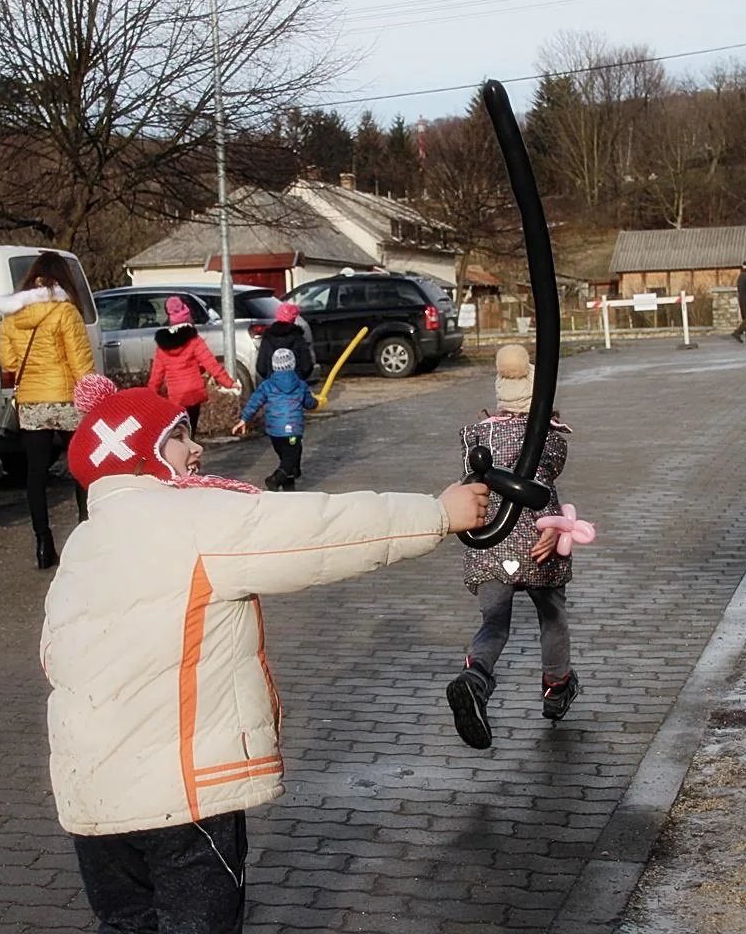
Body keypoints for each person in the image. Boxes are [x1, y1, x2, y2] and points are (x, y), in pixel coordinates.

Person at [44, 373, 490, 934]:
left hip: (91, 803)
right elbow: (318, 532)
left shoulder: (83, 543)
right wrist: (439, 514)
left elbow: (54, 658)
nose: (196, 447)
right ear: (146, 453)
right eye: (181, 435)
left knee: (128, 925)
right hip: (183, 797)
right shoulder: (193, 519)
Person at [445, 344, 580, 751]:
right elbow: (543, 482)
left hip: (489, 539)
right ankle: (556, 688)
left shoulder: (477, 434)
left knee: (494, 624)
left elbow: (474, 477)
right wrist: (558, 528)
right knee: (552, 616)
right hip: (541, 537)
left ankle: (475, 678)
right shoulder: (549, 437)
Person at [0, 250, 96, 570]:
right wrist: (94, 395)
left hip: (31, 401)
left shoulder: (12, 316)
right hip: (67, 397)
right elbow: (81, 362)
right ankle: (86, 533)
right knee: (80, 467)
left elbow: (9, 363)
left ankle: (43, 543)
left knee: (36, 473)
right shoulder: (66, 312)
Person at [231, 348, 317, 491]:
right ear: (293, 364)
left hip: (275, 431)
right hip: (293, 431)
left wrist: (244, 419)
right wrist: (316, 402)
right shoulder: (300, 385)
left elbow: (255, 402)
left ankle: (289, 483)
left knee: (286, 455)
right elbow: (309, 403)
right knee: (291, 457)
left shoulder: (267, 385)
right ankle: (275, 479)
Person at [148, 296, 239, 429]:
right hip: (193, 393)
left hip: (176, 397)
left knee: (181, 431)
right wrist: (229, 383)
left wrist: (150, 396)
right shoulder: (194, 340)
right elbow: (211, 365)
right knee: (191, 430)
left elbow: (156, 375)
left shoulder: (163, 346)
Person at [254, 302, 314, 381]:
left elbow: (261, 367)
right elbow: (307, 367)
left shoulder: (267, 338)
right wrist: (299, 378)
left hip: (273, 386)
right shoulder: (298, 338)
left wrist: (270, 378)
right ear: (293, 318)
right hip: (295, 385)